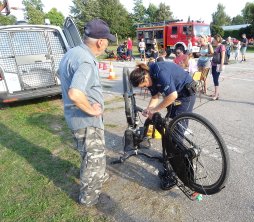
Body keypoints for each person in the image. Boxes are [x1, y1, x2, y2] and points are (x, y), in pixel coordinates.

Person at [58, 19, 116, 207]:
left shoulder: (72, 52)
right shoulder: (86, 60)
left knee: (88, 154)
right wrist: (91, 109)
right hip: (86, 120)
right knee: (94, 158)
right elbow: (75, 93)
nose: (107, 44)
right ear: (100, 42)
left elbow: (60, 74)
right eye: (107, 40)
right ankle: (89, 198)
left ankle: (99, 176)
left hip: (75, 118)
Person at [129, 61, 197, 189]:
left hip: (185, 95)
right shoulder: (149, 77)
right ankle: (169, 157)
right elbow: (155, 97)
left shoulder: (159, 71)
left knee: (176, 134)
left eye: (144, 84)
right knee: (167, 128)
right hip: (175, 96)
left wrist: (155, 110)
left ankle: (175, 170)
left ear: (145, 76)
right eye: (142, 86)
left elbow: (172, 95)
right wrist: (149, 109)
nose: (145, 87)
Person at [211, 34, 225, 100]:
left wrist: (221, 66)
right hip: (214, 65)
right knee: (214, 79)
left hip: (218, 65)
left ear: (217, 40)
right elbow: (213, 55)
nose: (213, 40)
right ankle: (216, 93)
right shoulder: (216, 46)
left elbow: (223, 57)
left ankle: (216, 95)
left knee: (216, 79)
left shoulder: (221, 46)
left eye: (214, 39)